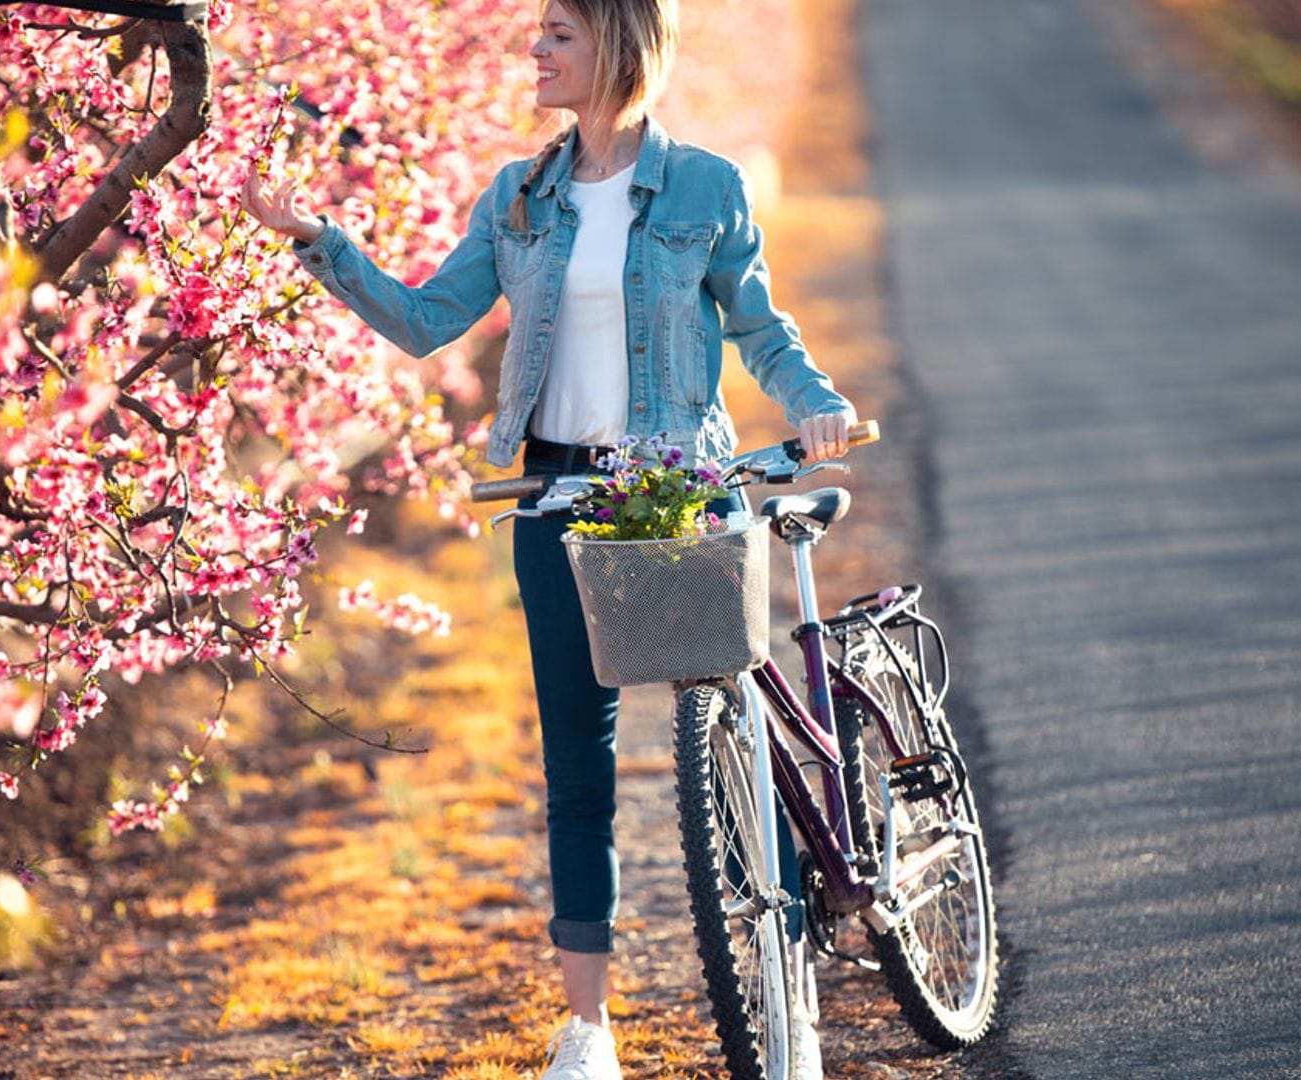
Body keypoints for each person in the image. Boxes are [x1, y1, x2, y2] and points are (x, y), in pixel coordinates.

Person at [243, 0, 855, 1075]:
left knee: (739, 735)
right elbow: (428, 320)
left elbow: (760, 327)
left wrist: (813, 401)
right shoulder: (517, 197)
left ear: (619, 44)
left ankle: (785, 991)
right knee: (579, 768)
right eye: (536, 32)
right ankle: (589, 1033)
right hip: (557, 504)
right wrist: (321, 246)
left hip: (682, 492)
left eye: (558, 32)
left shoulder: (704, 186)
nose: (535, 49)